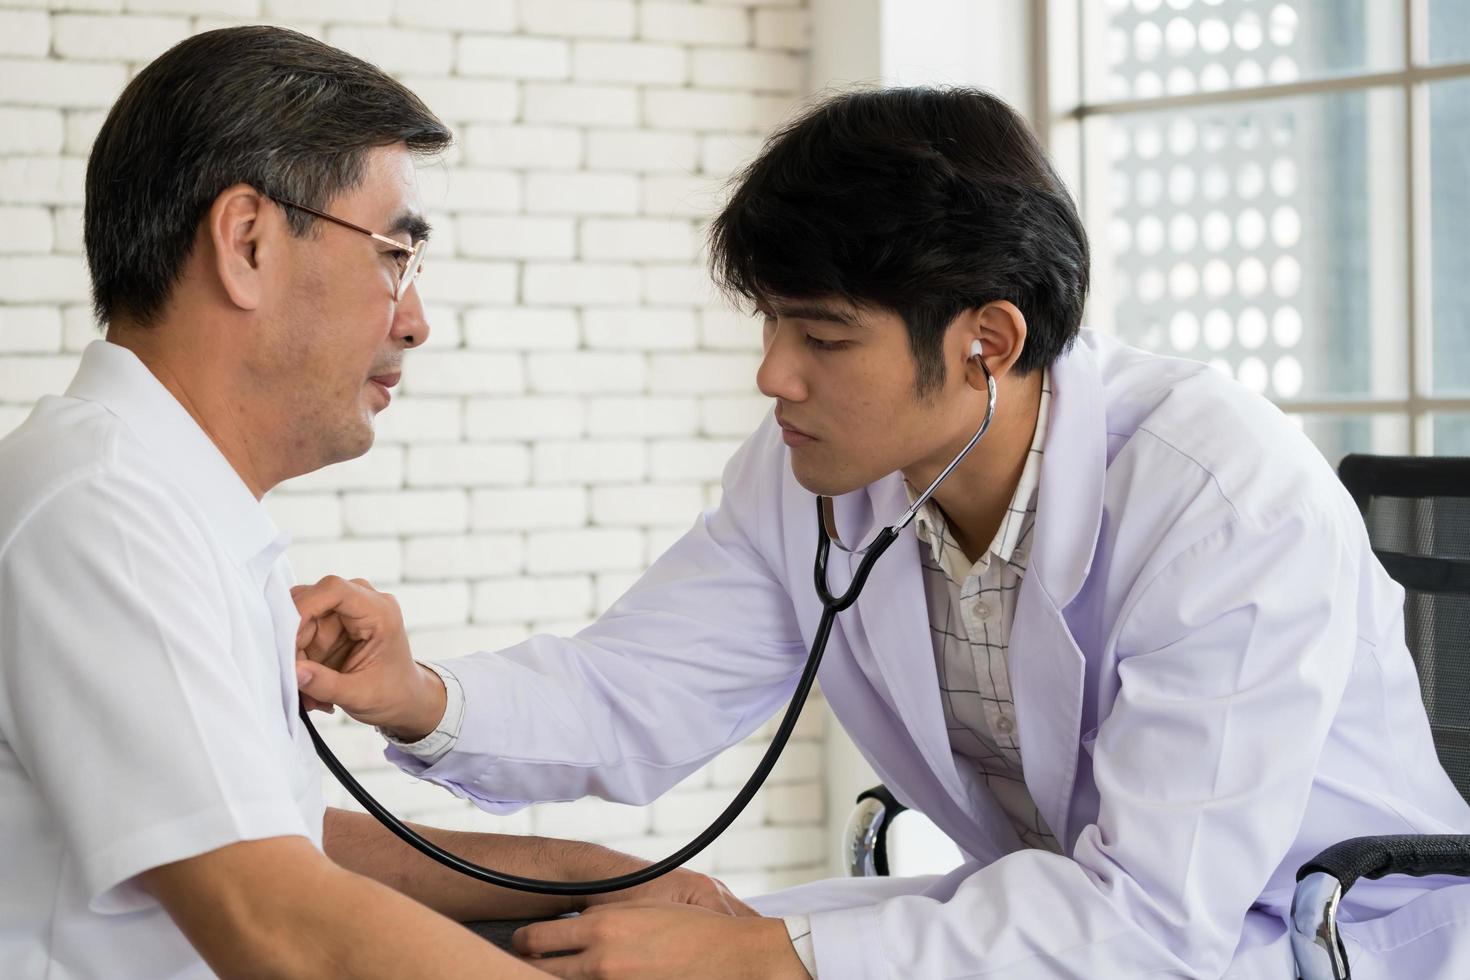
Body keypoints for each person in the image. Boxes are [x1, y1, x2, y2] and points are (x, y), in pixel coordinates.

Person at [292, 88, 1470, 978]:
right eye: (769, 323)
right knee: (610, 942)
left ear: (986, 342)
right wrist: (421, 693)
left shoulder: (1217, 495)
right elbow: (631, 691)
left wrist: (771, 955)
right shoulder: (819, 475)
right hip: (1054, 918)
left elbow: (1153, 924)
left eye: (823, 336)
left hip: (1307, 938)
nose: (774, 375)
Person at [0, 26, 745, 980]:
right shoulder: (101, 516)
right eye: (394, 253)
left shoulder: (155, 501)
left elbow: (278, 835)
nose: (416, 319)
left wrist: (583, 875)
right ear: (248, 242)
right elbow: (277, 919)